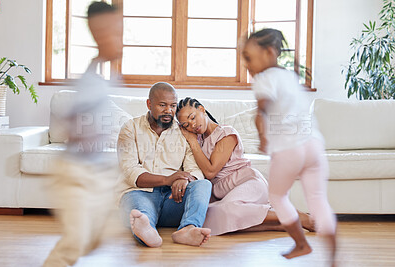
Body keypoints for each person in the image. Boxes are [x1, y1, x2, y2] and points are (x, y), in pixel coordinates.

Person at [242, 28, 337, 262]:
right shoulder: (291, 76)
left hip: (289, 149)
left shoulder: (264, 79)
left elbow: (261, 109)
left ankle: (301, 244)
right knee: (317, 199)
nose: (246, 64)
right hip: (314, 144)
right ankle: (334, 257)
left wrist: (263, 137)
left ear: (269, 52)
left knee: (277, 196)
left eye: (248, 57)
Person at [43, 2, 123, 266]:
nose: (120, 40)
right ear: (98, 34)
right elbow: (71, 120)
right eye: (114, 33)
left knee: (97, 238)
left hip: (96, 172)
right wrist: (78, 128)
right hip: (75, 173)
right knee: (75, 242)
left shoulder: (100, 75)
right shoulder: (90, 82)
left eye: (121, 32)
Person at [175, 97, 314, 236]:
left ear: (202, 109)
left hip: (247, 182)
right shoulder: (198, 141)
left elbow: (211, 171)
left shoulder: (226, 133)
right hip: (223, 193)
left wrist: (192, 141)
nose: (192, 125)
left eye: (192, 117)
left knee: (230, 210)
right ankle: (279, 225)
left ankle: (297, 217)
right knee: (209, 216)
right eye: (186, 125)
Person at [117, 82, 212, 248]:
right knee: (141, 214)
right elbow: (130, 171)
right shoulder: (130, 128)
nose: (169, 111)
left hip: (173, 198)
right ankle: (147, 231)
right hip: (140, 194)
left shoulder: (183, 131)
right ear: (149, 104)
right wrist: (168, 179)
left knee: (203, 184)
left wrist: (186, 180)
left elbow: (194, 169)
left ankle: (188, 229)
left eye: (173, 106)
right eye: (162, 105)